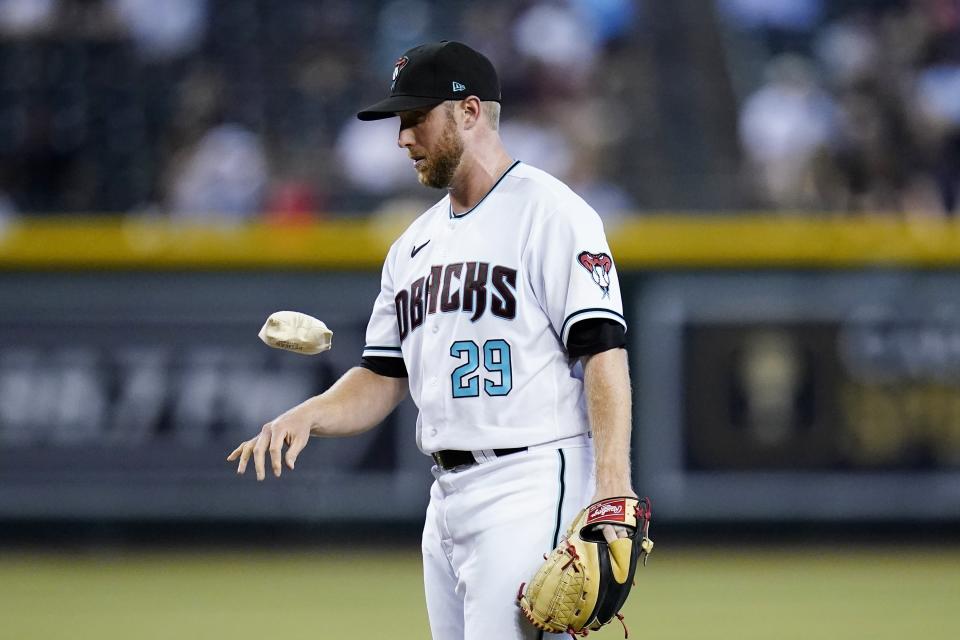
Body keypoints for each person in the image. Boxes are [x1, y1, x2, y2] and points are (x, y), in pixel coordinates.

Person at [227, 40, 635, 640]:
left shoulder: (552, 213)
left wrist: (612, 492)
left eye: (416, 118)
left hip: (530, 478)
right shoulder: (411, 246)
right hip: (445, 499)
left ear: (469, 112)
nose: (402, 138)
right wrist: (308, 415)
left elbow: (603, 354)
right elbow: (381, 377)